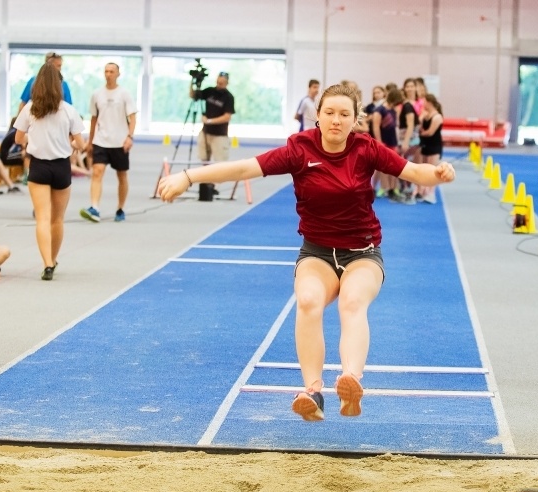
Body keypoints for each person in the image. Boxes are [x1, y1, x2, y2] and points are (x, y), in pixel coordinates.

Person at [158, 84, 455, 421]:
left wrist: (440, 173)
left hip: (362, 254)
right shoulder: (299, 149)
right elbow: (244, 168)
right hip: (316, 253)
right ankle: (313, 391)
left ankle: (351, 383)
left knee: (353, 302)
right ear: (318, 116)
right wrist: (187, 176)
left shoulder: (366, 148)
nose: (336, 120)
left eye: (345, 114)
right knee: (308, 301)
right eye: (330, 113)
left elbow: (414, 172)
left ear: (355, 119)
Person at [14, 63, 85, 281]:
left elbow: (17, 139)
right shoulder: (69, 110)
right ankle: (53, 260)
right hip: (61, 166)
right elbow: (80, 143)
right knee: (58, 219)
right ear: (59, 85)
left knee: (42, 218)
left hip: (38, 166)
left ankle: (46, 263)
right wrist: (67, 143)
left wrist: (33, 140)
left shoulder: (30, 109)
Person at [80, 62, 137, 223]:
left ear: (118, 74)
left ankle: (120, 208)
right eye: (106, 71)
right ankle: (94, 208)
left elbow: (132, 118)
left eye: (112, 71)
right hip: (101, 140)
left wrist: (129, 137)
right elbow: (93, 118)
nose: (108, 74)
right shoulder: (97, 94)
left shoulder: (124, 94)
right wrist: (90, 141)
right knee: (97, 172)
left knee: (122, 175)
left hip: (120, 142)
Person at [189, 71, 235, 198]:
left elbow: (227, 117)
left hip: (219, 134)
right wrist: (193, 82)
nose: (219, 84)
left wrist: (209, 121)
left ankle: (214, 185)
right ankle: (206, 182)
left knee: (220, 161)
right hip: (205, 132)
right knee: (204, 158)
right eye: (218, 81)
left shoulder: (228, 97)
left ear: (227, 82)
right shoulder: (210, 91)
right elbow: (193, 95)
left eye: (222, 82)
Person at [414, 94, 444, 204]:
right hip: (425, 144)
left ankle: (431, 193)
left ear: (430, 102)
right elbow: (419, 124)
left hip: (434, 145)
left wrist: (420, 133)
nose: (423, 105)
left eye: (424, 102)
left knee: (433, 170)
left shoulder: (437, 116)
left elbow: (430, 132)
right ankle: (423, 190)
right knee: (425, 169)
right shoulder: (425, 114)